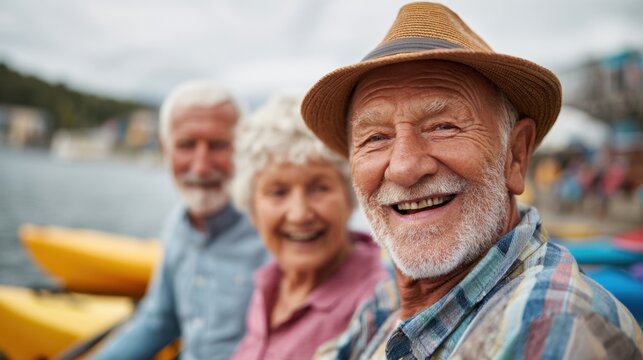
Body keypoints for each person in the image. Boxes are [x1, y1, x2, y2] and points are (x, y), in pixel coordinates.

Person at [301, 3, 643, 359]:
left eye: (443, 127)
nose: (403, 168)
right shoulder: (390, 297)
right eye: (375, 138)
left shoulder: (547, 323)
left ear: (515, 155)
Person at [94, 81, 270, 359]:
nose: (201, 167)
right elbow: (158, 320)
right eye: (187, 145)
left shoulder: (276, 231)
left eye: (218, 145)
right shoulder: (178, 223)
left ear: (243, 150)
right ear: (166, 150)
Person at [229, 95, 388, 360]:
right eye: (278, 192)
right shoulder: (269, 282)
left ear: (350, 197)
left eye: (319, 188)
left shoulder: (377, 303)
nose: (300, 214)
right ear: (252, 207)